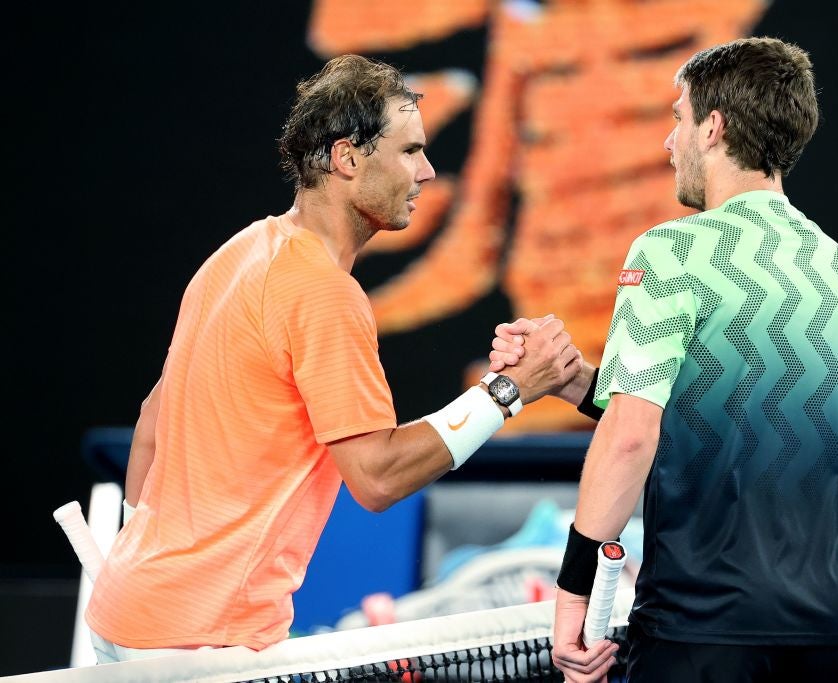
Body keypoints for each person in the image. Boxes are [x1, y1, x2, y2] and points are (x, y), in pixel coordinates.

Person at [84, 54, 582, 662]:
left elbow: (149, 427)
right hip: (199, 643)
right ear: (348, 158)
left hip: (128, 614)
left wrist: (150, 569)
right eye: (409, 151)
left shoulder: (239, 252)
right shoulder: (322, 291)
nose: (427, 171)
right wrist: (508, 392)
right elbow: (376, 478)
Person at [491, 38, 838, 682]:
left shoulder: (671, 251)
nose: (670, 142)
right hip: (831, 635)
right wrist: (576, 380)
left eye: (678, 118)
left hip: (703, 631)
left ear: (713, 128)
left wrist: (574, 598)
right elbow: (711, 415)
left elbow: (632, 436)